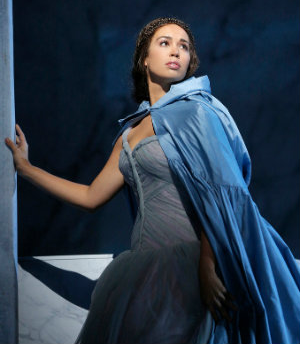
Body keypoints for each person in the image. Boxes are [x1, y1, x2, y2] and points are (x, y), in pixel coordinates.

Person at [5, 17, 300, 344]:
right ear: (144, 58)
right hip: (141, 273)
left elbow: (223, 193)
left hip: (192, 267)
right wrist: (28, 169)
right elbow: (91, 196)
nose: (176, 51)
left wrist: (206, 263)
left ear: (189, 63)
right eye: (165, 43)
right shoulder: (129, 133)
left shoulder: (197, 114)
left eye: (184, 46)